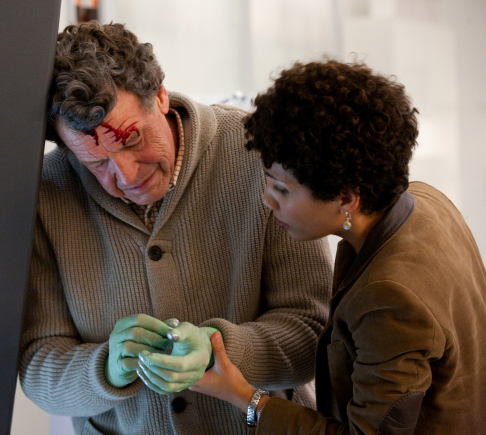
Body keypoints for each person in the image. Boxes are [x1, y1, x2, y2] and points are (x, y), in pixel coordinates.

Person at [18, 22, 333, 434]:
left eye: (133, 140)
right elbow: (38, 366)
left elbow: (315, 332)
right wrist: (104, 368)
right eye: (97, 163)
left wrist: (221, 350)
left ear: (161, 96)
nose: (126, 176)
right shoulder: (45, 192)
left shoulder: (258, 155)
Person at [154, 60, 486, 433]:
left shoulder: (388, 299)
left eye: (282, 188)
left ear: (345, 198)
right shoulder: (426, 200)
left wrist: (243, 395)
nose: (267, 199)